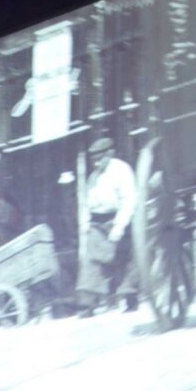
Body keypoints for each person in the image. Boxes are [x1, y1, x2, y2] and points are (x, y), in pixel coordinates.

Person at [80, 132, 139, 309]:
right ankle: (88, 304)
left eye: (100, 159)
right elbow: (85, 202)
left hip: (120, 219)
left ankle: (130, 296)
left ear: (110, 154)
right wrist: (85, 223)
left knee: (129, 257)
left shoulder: (122, 170)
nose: (97, 163)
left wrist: (119, 226)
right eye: (94, 160)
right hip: (98, 222)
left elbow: (129, 199)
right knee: (91, 259)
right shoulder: (93, 177)